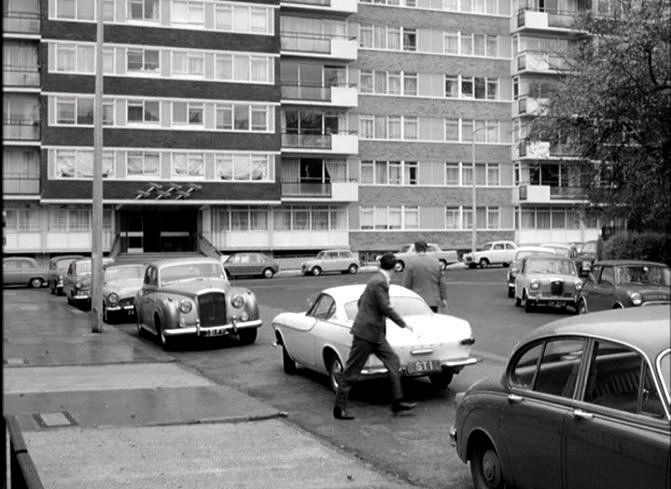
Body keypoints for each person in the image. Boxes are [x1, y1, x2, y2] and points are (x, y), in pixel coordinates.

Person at [333, 253, 417, 420]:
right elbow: (385, 307)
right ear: (394, 267)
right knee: (351, 371)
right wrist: (403, 323)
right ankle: (339, 408)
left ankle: (397, 402)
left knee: (393, 361)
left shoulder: (376, 280)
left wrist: (369, 313)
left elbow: (361, 302)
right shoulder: (379, 282)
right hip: (365, 334)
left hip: (375, 334)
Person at [403, 239, 448, 313]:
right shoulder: (436, 262)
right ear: (426, 249)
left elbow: (407, 284)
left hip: (417, 300)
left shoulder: (410, 263)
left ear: (416, 249)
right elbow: (442, 282)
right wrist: (444, 298)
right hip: (433, 300)